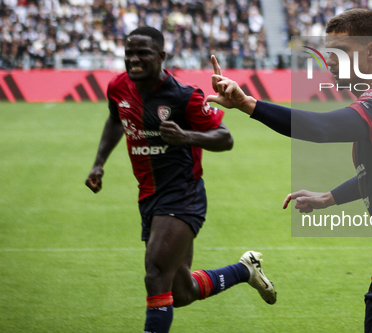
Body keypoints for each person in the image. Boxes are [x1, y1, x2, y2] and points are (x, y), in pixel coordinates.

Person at [207, 9, 372, 333]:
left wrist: (249, 105)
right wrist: (329, 198)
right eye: (329, 53)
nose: (331, 62)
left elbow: (322, 128)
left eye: (342, 52)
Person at [85, 26, 276, 333]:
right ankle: (244, 271)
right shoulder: (118, 87)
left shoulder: (184, 96)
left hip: (182, 194)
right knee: (181, 292)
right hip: (148, 195)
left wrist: (186, 136)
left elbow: (225, 138)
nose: (134, 59)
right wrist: (98, 164)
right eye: (129, 53)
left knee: (155, 275)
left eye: (142, 53)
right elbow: (115, 119)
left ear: (161, 56)